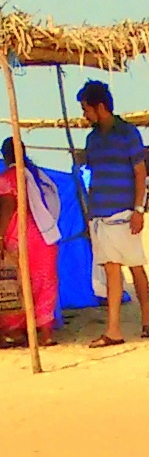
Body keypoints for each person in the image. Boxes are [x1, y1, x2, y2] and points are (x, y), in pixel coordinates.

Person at [76, 81, 149, 345]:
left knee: (135, 266)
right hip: (100, 212)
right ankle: (114, 329)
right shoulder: (92, 140)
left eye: (86, 109)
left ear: (100, 107)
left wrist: (139, 209)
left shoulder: (128, 134)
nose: (85, 115)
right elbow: (92, 174)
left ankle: (145, 320)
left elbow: (140, 172)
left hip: (123, 212)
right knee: (112, 268)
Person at [0, 139, 61, 345]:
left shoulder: (8, 179)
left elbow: (7, 208)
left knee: (15, 284)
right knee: (44, 284)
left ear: (6, 155)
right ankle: (46, 334)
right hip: (44, 237)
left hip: (20, 237)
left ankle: (16, 331)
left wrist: (0, 237)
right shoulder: (37, 176)